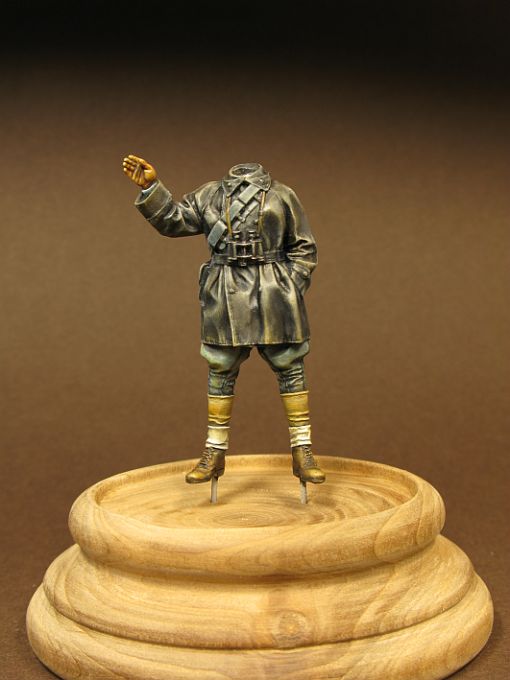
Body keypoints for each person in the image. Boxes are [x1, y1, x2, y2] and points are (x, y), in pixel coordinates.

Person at [123, 155, 325, 494]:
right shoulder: (209, 195)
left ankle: (302, 450)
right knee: (220, 369)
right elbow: (174, 221)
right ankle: (214, 453)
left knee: (290, 366)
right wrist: (151, 188)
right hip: (225, 292)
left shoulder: (282, 195)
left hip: (273, 292)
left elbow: (304, 247)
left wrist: (290, 285)